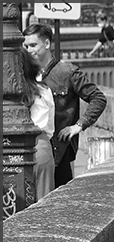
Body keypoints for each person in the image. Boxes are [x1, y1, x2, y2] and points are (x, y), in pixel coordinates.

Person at [23, 23, 107, 188]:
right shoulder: (24, 73)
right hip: (31, 150)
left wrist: (78, 126)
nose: (29, 50)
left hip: (60, 150)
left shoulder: (67, 72)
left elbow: (98, 98)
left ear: (47, 44)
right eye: (26, 46)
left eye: (33, 45)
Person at [20, 47, 55, 200]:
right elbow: (50, 128)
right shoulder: (43, 90)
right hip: (41, 146)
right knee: (43, 203)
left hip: (13, 147)